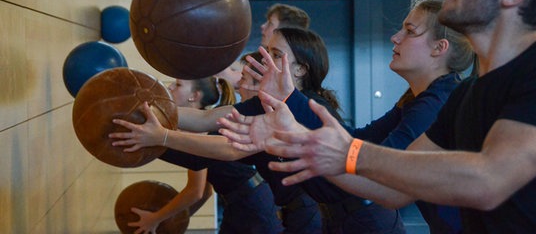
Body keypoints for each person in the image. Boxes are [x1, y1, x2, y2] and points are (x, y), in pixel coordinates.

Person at [221, 0, 536, 234]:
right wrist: (298, 137)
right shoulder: (465, 96)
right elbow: (391, 189)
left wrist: (350, 153)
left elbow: (488, 179)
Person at [110, 28, 406, 233]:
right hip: (321, 215)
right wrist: (148, 105)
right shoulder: (267, 104)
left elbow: (229, 148)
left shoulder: (305, 107)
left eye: (276, 55)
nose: (265, 60)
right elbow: (207, 119)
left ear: (300, 70)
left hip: (362, 216)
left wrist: (161, 136)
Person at [220, 0, 474, 233]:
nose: (395, 37)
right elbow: (361, 141)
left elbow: (383, 175)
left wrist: (298, 133)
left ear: (439, 48)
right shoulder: (419, 100)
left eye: (409, 31)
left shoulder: (437, 102)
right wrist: (290, 100)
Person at [129, 76, 283, 234]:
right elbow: (205, 192)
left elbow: (195, 191)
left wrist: (156, 218)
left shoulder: (202, 129)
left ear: (194, 96)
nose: (170, 88)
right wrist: (174, 222)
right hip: (242, 202)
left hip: (254, 205)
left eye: (178, 85)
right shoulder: (195, 127)